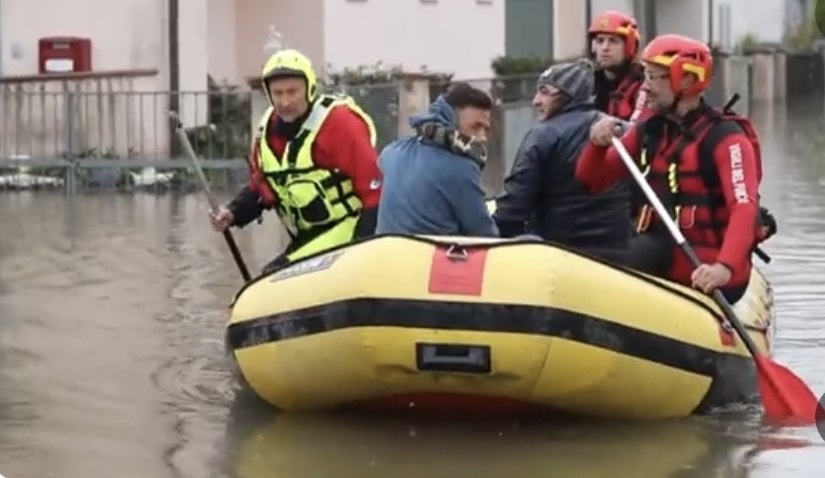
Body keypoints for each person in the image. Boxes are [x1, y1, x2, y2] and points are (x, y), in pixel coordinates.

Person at [575, 34, 772, 303]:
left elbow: (744, 207)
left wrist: (723, 268)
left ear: (687, 80)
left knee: (635, 254)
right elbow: (592, 180)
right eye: (644, 76)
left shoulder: (727, 139)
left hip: (711, 268)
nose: (643, 88)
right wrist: (596, 146)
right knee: (611, 255)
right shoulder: (650, 131)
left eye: (653, 78)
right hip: (662, 252)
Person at [209, 49, 382, 274]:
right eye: (278, 93)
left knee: (272, 276)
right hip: (310, 238)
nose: (285, 101)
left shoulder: (340, 123)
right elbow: (263, 189)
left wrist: (360, 253)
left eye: (293, 92)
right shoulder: (267, 131)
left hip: (349, 230)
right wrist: (232, 214)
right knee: (269, 280)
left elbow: (376, 193)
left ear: (309, 88)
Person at [493, 59, 631, 263]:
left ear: (568, 94)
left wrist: (488, 235)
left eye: (544, 91)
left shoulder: (544, 135)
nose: (536, 101)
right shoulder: (621, 130)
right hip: (620, 256)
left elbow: (515, 203)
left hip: (560, 255)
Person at [375, 82, 498, 237]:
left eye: (485, 129)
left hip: (384, 254)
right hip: (430, 258)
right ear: (449, 119)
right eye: (475, 127)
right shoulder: (462, 168)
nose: (482, 138)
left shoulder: (393, 152)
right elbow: (486, 236)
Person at [588, 10, 648, 124]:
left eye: (613, 41)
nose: (605, 48)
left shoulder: (644, 85)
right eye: (600, 41)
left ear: (630, 47)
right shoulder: (588, 84)